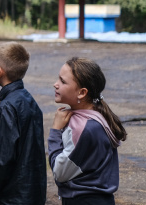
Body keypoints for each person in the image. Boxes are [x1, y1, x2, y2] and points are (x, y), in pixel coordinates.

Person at [49, 57, 127, 205]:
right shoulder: (97, 116)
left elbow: (59, 172)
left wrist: (55, 131)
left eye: (63, 81)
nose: (55, 84)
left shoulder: (82, 128)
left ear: (82, 92)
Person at [0, 42, 47, 205]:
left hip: (12, 198)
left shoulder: (7, 107)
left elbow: (4, 158)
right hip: (33, 193)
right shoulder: (29, 100)